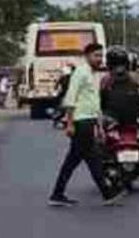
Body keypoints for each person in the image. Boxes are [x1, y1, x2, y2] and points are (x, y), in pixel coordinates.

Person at [49, 42, 122, 206]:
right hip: (80, 122)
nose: (99, 59)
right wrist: (69, 123)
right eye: (96, 56)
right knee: (89, 159)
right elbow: (71, 98)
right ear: (87, 56)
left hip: (88, 121)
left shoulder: (92, 74)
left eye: (100, 56)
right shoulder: (80, 73)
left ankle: (58, 193)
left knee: (81, 160)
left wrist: (99, 125)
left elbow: (93, 102)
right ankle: (107, 193)